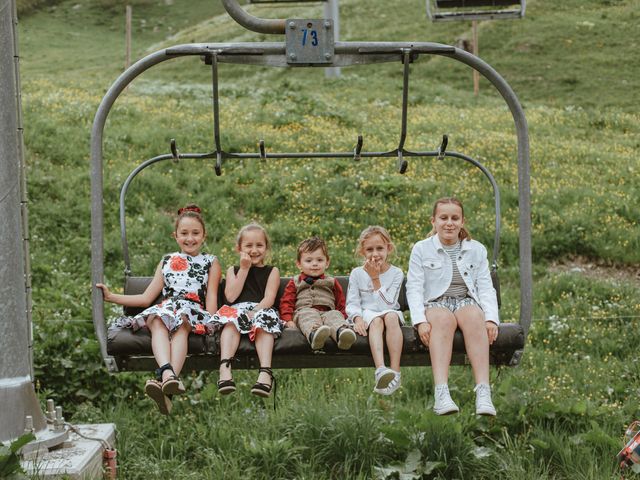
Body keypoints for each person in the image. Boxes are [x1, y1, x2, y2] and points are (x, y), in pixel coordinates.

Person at [96, 204, 221, 415]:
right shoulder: (167, 260)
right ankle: (169, 377)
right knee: (156, 320)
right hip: (167, 306)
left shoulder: (211, 261)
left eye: (195, 233)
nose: (190, 238)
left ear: (204, 235)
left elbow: (211, 295)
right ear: (175, 236)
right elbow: (146, 298)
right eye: (184, 233)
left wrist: (210, 321)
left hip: (191, 308)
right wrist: (111, 297)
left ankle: (164, 377)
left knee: (181, 325)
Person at [406, 197, 499, 416]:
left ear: (462, 221)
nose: (449, 223)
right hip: (436, 303)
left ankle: (483, 392)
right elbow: (414, 287)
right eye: (443, 218)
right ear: (433, 221)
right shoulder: (422, 249)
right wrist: (419, 321)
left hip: (465, 301)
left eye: (455, 218)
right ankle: (442, 392)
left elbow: (485, 287)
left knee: (475, 316)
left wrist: (491, 319)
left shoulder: (476, 250)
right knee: (443, 320)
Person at [213, 223, 283, 398]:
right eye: (248, 246)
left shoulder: (272, 271)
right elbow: (230, 296)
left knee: (263, 323)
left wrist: (254, 312)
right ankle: (225, 368)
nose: (254, 250)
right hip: (237, 309)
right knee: (231, 322)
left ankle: (265, 373)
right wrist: (244, 269)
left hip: (262, 308)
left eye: (259, 245)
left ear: (266, 248)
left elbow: (269, 298)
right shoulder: (233, 270)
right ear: (239, 249)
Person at [346, 226, 404, 395]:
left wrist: (375, 278)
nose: (375, 254)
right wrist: (357, 319)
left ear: (389, 248)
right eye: (369, 249)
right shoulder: (357, 273)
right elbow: (352, 302)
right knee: (377, 321)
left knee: (391, 317)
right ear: (362, 252)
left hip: (390, 310)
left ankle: (395, 371)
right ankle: (380, 369)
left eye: (380, 248)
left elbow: (389, 305)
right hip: (369, 314)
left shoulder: (396, 273)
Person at [279, 236, 357, 351]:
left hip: (327, 311)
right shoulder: (295, 282)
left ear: (327, 263)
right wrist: (288, 320)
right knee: (307, 316)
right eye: (309, 260)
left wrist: (343, 317)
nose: (314, 264)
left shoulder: (331, 282)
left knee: (334, 316)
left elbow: (341, 301)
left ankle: (342, 334)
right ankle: (314, 335)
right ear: (299, 264)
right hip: (304, 311)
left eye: (319, 260)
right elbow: (286, 302)